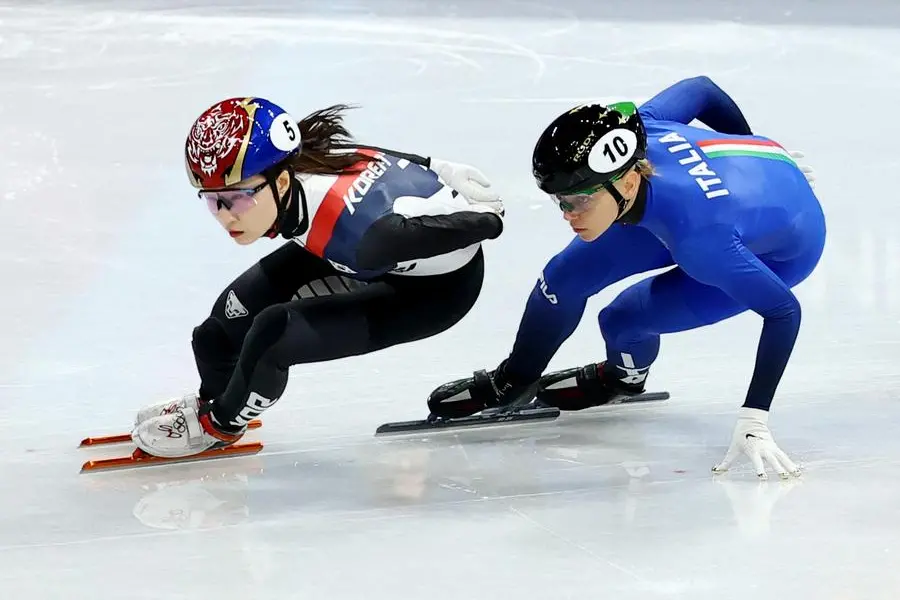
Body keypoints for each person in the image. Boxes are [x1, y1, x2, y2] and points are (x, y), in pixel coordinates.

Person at [427, 76, 825, 480]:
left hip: (775, 250)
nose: (568, 214)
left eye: (579, 200)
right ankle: (514, 380)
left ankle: (623, 377)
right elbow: (702, 89)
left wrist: (754, 416)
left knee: (623, 320)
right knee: (562, 278)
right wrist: (750, 149)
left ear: (629, 180)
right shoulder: (640, 126)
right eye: (558, 200)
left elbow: (783, 313)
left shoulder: (704, 242)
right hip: (704, 201)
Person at [130, 96, 505, 458]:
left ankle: (220, 426)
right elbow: (389, 160)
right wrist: (437, 165)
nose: (226, 216)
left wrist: (488, 217)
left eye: (238, 198)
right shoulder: (306, 163)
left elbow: (481, 226)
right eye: (213, 201)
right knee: (219, 329)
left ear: (279, 183)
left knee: (272, 334)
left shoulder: (367, 236)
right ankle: (218, 398)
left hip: (436, 293)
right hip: (364, 248)